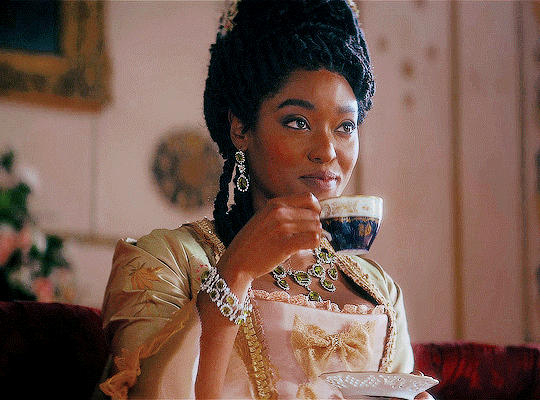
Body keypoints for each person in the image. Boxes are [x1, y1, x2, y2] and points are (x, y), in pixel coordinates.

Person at [94, 1, 433, 399]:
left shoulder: (379, 289)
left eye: (345, 126)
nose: (327, 151)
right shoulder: (165, 260)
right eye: (298, 122)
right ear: (240, 128)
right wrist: (235, 272)